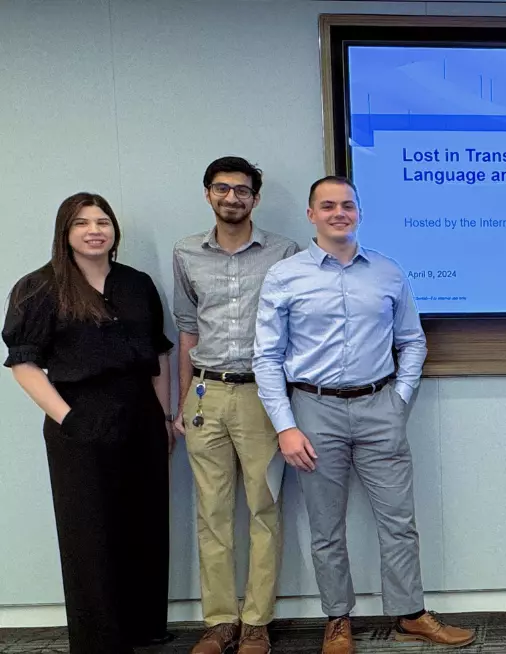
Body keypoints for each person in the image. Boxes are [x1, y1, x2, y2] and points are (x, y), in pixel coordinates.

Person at [253, 175, 476, 653]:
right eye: (328, 205)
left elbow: (412, 342)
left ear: (359, 212)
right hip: (312, 410)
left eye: (348, 205)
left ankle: (410, 614)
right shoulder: (285, 275)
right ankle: (337, 619)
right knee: (325, 527)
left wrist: (399, 399)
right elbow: (267, 357)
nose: (339, 213)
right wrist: (285, 426)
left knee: (399, 521)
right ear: (311, 214)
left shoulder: (388, 272)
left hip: (380, 408)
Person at [2, 192, 173, 654]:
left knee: (144, 522)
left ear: (114, 230)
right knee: (89, 532)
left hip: (141, 413)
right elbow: (24, 363)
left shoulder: (136, 284)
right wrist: (69, 419)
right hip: (80, 415)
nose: (94, 230)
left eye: (102, 221)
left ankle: (142, 627)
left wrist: (163, 417)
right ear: (65, 232)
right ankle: (100, 641)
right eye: (81, 223)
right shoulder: (40, 287)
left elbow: (159, 355)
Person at [173, 157, 299, 654]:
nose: (232, 198)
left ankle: (257, 623)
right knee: (212, 512)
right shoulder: (186, 252)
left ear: (255, 198)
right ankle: (220, 621)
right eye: (222, 188)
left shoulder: (284, 253)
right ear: (208, 193)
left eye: (242, 190)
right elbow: (187, 328)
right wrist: (181, 400)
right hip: (206, 393)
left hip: (262, 396)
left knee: (264, 507)